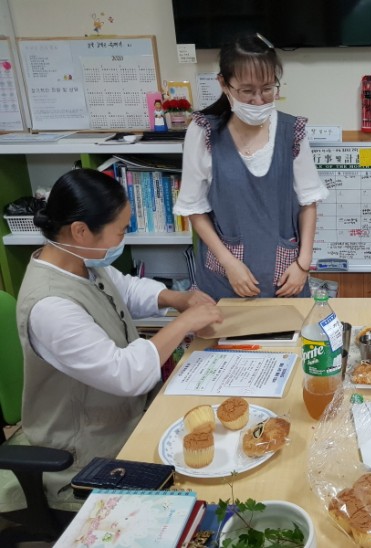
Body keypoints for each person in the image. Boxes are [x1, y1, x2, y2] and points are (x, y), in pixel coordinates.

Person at [12, 168, 223, 511]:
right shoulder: (50, 306)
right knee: (204, 491)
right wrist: (185, 321)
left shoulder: (82, 263)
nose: (124, 238)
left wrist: (176, 299)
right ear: (81, 231)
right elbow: (125, 374)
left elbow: (125, 288)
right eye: (121, 230)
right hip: (87, 457)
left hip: (128, 419)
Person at [173, 33, 329, 300]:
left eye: (268, 89)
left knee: (289, 339)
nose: (259, 100)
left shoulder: (292, 132)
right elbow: (194, 208)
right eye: (247, 91)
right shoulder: (204, 133)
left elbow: (309, 202)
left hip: (285, 278)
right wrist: (229, 263)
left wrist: (303, 264)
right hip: (224, 279)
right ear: (224, 84)